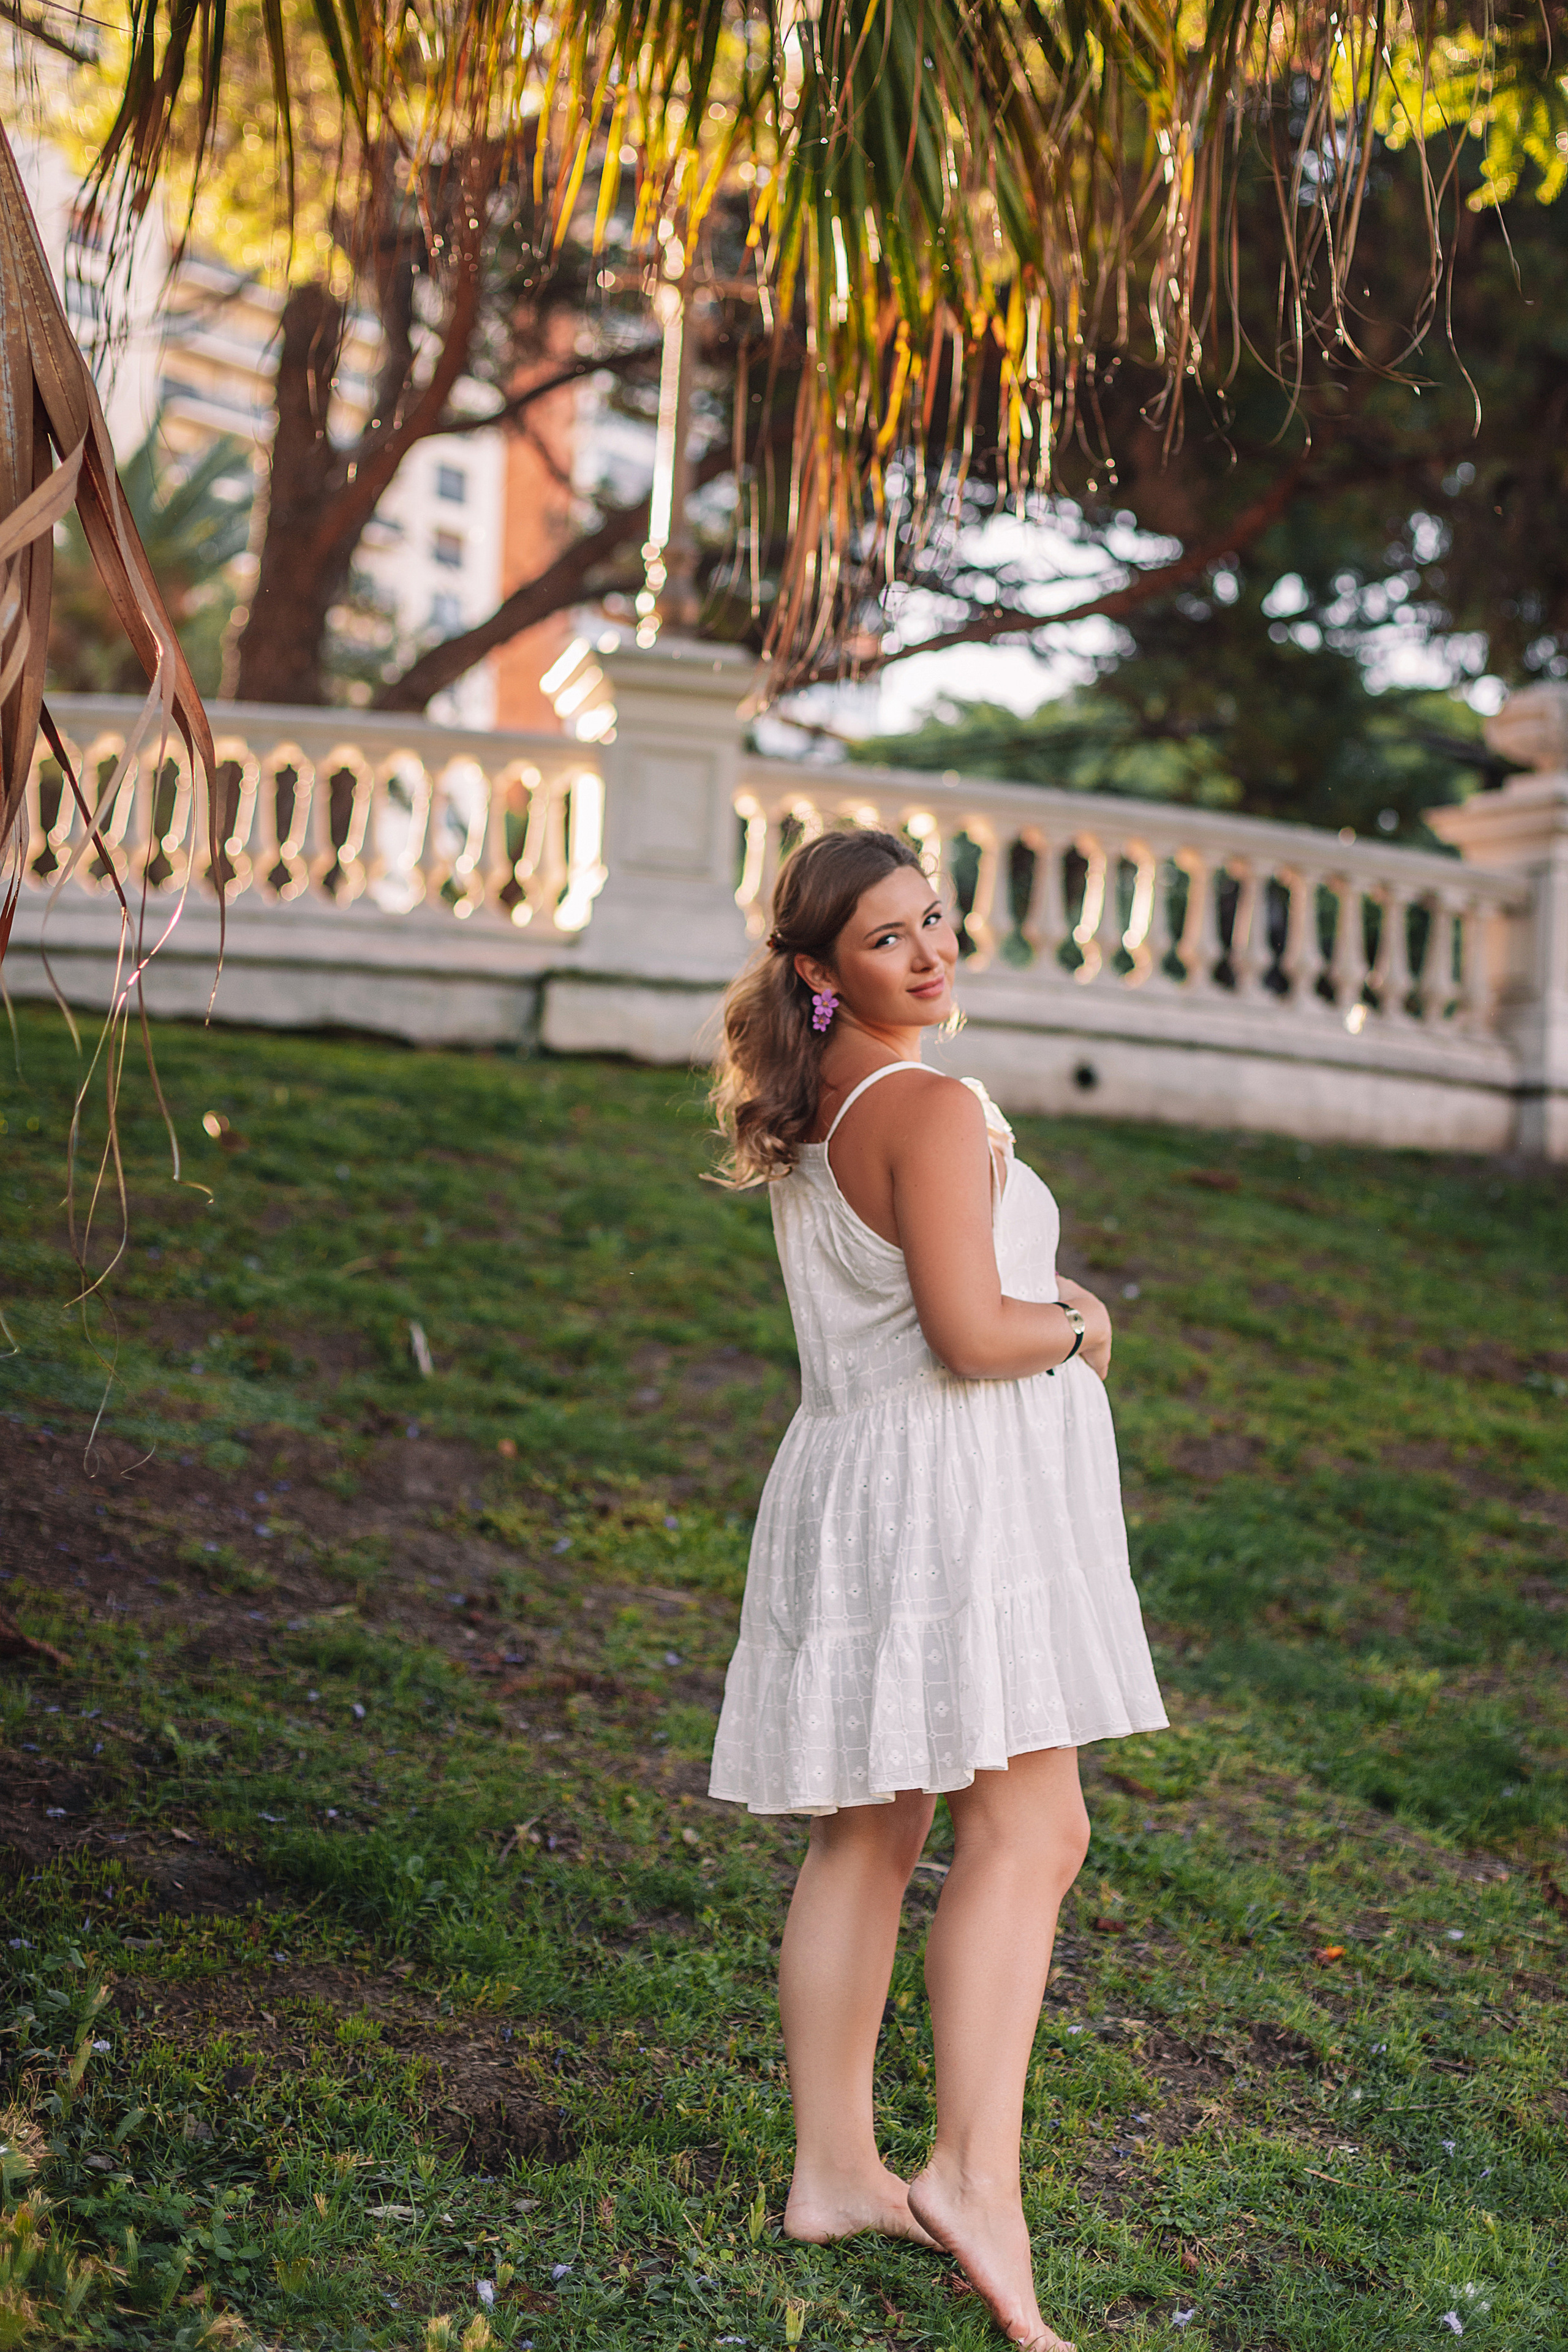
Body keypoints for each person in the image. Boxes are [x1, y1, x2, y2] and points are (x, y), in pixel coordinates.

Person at [707, 827, 1167, 2352]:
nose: (930, 953)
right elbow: (972, 1333)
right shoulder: (924, 1102)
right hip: (949, 1486)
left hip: (857, 1478)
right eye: (890, 937)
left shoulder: (825, 1103)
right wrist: (1077, 1323)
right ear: (819, 973)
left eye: (936, 922)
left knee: (872, 1827)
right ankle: (971, 2175)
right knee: (1035, 1826)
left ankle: (836, 2170)